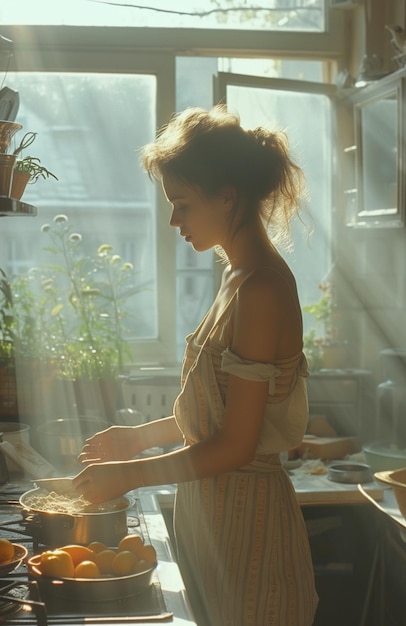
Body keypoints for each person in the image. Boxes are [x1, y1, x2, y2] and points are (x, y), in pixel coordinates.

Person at [72, 104, 318, 626]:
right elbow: (218, 418)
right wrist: (138, 437)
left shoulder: (263, 289)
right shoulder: (237, 279)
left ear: (227, 196)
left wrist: (131, 474)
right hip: (214, 520)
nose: (173, 220)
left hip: (248, 531)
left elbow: (236, 445)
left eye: (182, 204)